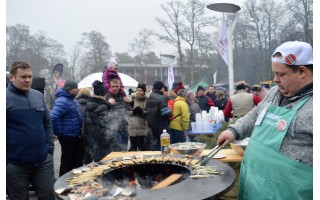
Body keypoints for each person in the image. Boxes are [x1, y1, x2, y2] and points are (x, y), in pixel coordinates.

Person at [217, 41, 313, 199]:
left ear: (302, 71)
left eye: (281, 74)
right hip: (254, 185)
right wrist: (234, 130)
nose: (275, 80)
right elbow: (255, 113)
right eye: (274, 73)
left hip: (287, 192)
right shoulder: (275, 92)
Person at [6, 61, 55, 200]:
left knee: (49, 196)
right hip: (15, 164)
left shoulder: (38, 96)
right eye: (23, 77)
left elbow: (47, 123)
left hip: (42, 160)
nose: (28, 80)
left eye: (30, 76)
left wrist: (49, 149)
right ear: (11, 77)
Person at [50, 79, 84, 177]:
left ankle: (71, 183)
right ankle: (62, 185)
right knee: (67, 162)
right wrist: (59, 132)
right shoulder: (63, 100)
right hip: (68, 137)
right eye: (75, 88)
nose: (77, 90)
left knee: (74, 161)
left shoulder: (71, 99)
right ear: (69, 89)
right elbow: (53, 117)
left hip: (74, 135)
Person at [83, 80, 120, 164]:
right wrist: (114, 143)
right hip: (100, 142)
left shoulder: (88, 104)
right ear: (104, 94)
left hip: (89, 139)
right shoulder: (102, 106)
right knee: (102, 166)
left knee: (89, 166)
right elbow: (105, 128)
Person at [105, 78, 131, 151]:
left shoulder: (123, 95)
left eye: (117, 86)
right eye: (113, 86)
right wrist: (108, 103)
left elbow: (128, 108)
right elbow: (103, 110)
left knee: (124, 149)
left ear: (120, 86)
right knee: (117, 149)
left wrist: (131, 102)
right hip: (113, 127)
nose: (115, 88)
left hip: (124, 125)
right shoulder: (107, 96)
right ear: (110, 86)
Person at [146, 80, 172, 150]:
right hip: (162, 128)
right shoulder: (162, 98)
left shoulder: (149, 98)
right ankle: (166, 160)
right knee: (165, 148)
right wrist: (170, 111)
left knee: (156, 147)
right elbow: (165, 113)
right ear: (162, 88)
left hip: (152, 127)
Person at [128, 83, 149, 151]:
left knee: (143, 149)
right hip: (132, 127)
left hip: (142, 127)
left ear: (144, 92)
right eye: (138, 90)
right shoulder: (131, 99)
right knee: (133, 149)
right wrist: (133, 111)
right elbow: (126, 112)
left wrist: (141, 112)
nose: (139, 92)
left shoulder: (146, 100)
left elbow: (148, 114)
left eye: (141, 90)